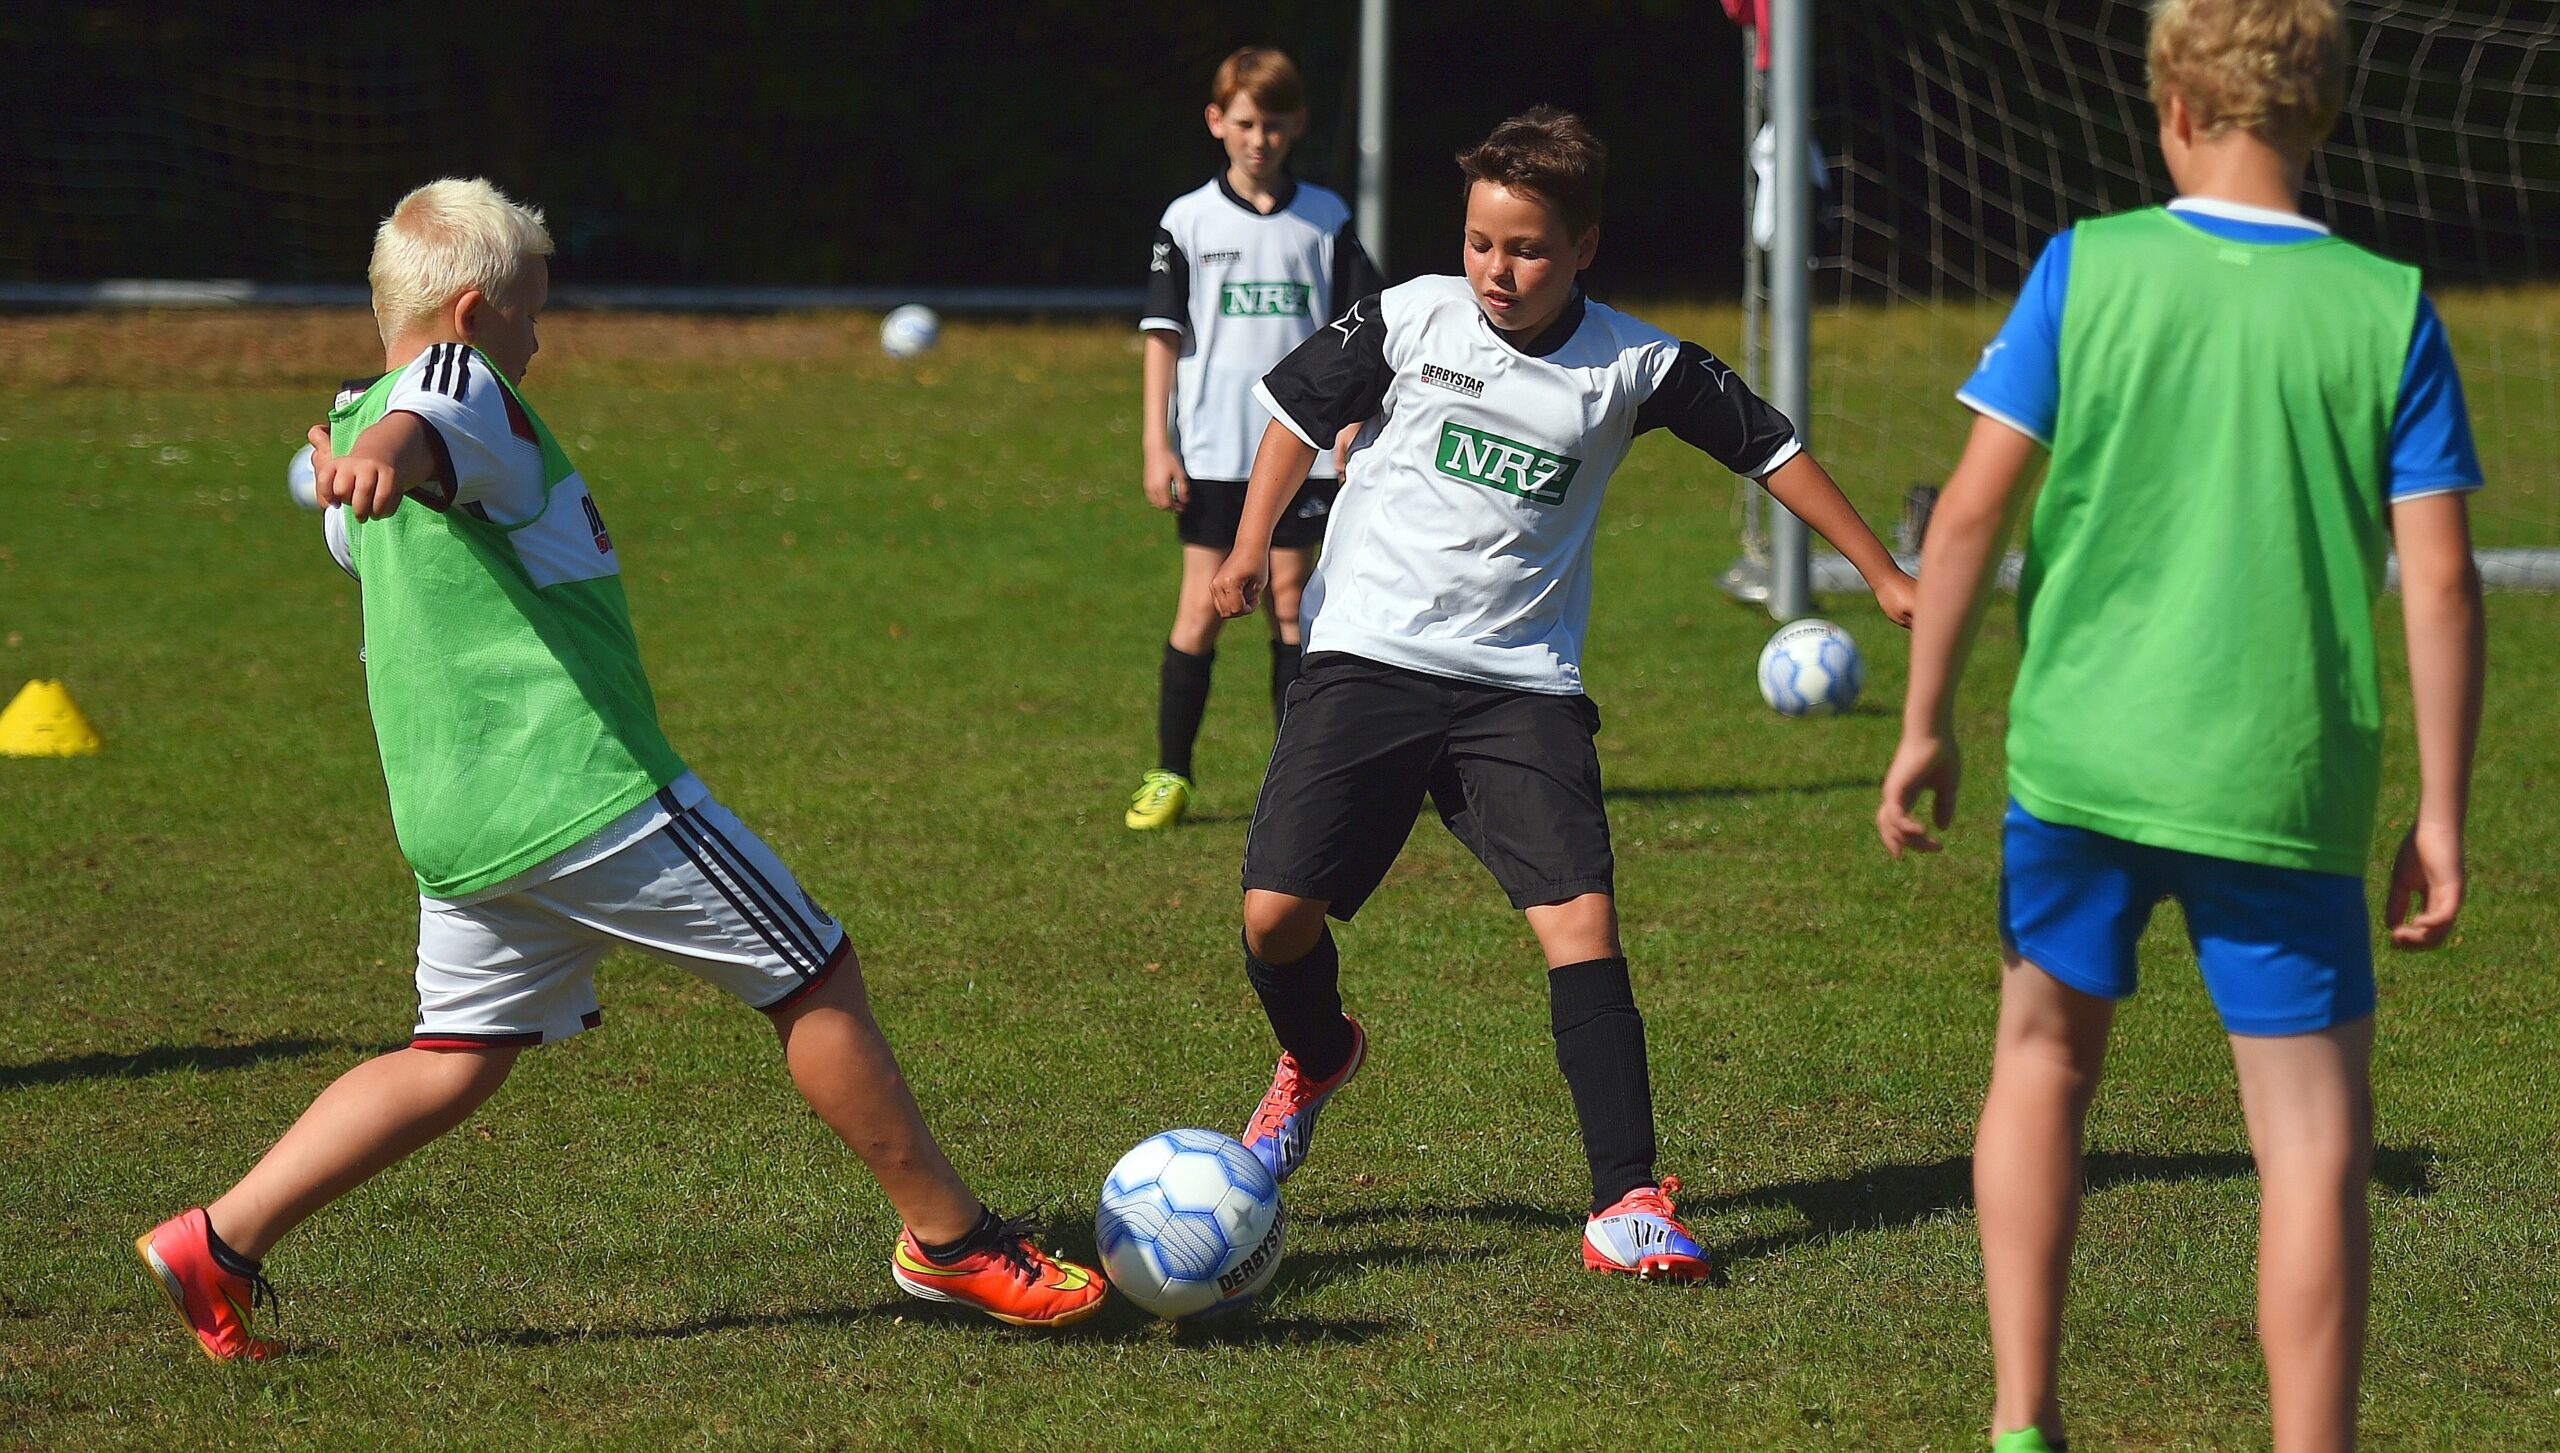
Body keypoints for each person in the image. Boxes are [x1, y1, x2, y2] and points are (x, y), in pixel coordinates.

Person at [134, 179, 1107, 1362]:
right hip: (582, 789)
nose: (539, 343)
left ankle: (218, 1241)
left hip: (457, 819)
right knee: (813, 972)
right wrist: (382, 446)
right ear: (476, 312)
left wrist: (357, 452)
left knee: (453, 1056)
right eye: (533, 317)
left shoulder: (366, 416)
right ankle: (949, 1242)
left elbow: (389, 487)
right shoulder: (458, 385)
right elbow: (429, 423)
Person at [1874, 2, 2485, 1447]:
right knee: (2314, 1144)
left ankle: (2025, 1420)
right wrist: (2444, 812)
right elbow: (2445, 580)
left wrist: (1925, 720)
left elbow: (1968, 513)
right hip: (2279, 780)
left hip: (2082, 758)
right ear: (2319, 112)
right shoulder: (2386, 304)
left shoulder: (2087, 270)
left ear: (2173, 105)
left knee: (2041, 1061)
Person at [1213, 108, 1917, 1280]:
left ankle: (1627, 1198)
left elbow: (1767, 447)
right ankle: (1319, 1052)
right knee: (1273, 920)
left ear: (1584, 247)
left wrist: (1886, 577)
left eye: (1528, 249)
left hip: (1518, 689)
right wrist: (1247, 549)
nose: (1498, 270)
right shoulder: (1408, 315)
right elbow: (1292, 413)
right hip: (1367, 657)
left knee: (1579, 923)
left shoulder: (1635, 365)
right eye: (1483, 242)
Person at [1127, 45, 1381, 830]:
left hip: (1297, 454)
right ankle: (1170, 773)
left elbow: (1362, 335)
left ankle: (1291, 778)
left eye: (1274, 124)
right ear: (1216, 123)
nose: (1259, 138)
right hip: (1211, 451)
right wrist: (1155, 444)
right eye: (1244, 122)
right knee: (1200, 609)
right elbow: (1163, 336)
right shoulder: (1187, 220)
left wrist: (1348, 423)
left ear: (1298, 124)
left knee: (1293, 605)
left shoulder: (1328, 220)